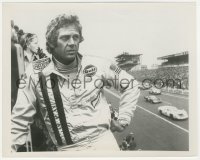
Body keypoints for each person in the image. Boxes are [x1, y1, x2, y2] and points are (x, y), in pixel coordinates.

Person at [11, 14, 140, 151]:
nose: (72, 42)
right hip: (68, 149)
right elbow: (19, 119)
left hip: (104, 143)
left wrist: (123, 119)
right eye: (65, 38)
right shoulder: (35, 72)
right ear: (52, 43)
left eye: (76, 37)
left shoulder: (98, 63)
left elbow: (131, 84)